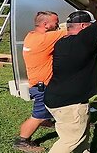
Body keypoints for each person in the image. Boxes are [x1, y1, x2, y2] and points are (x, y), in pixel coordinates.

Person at [44, 0, 97, 153]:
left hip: (56, 98)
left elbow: (85, 24)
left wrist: (91, 8)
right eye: (90, 26)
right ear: (85, 27)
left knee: (80, 137)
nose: (93, 28)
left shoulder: (64, 40)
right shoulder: (83, 41)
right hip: (70, 104)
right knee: (70, 141)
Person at [14, 11, 67, 152]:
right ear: (45, 24)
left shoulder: (31, 36)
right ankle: (22, 141)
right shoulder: (45, 39)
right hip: (42, 87)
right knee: (37, 115)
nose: (57, 24)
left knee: (56, 104)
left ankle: (46, 120)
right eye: (55, 22)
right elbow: (75, 29)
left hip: (37, 84)